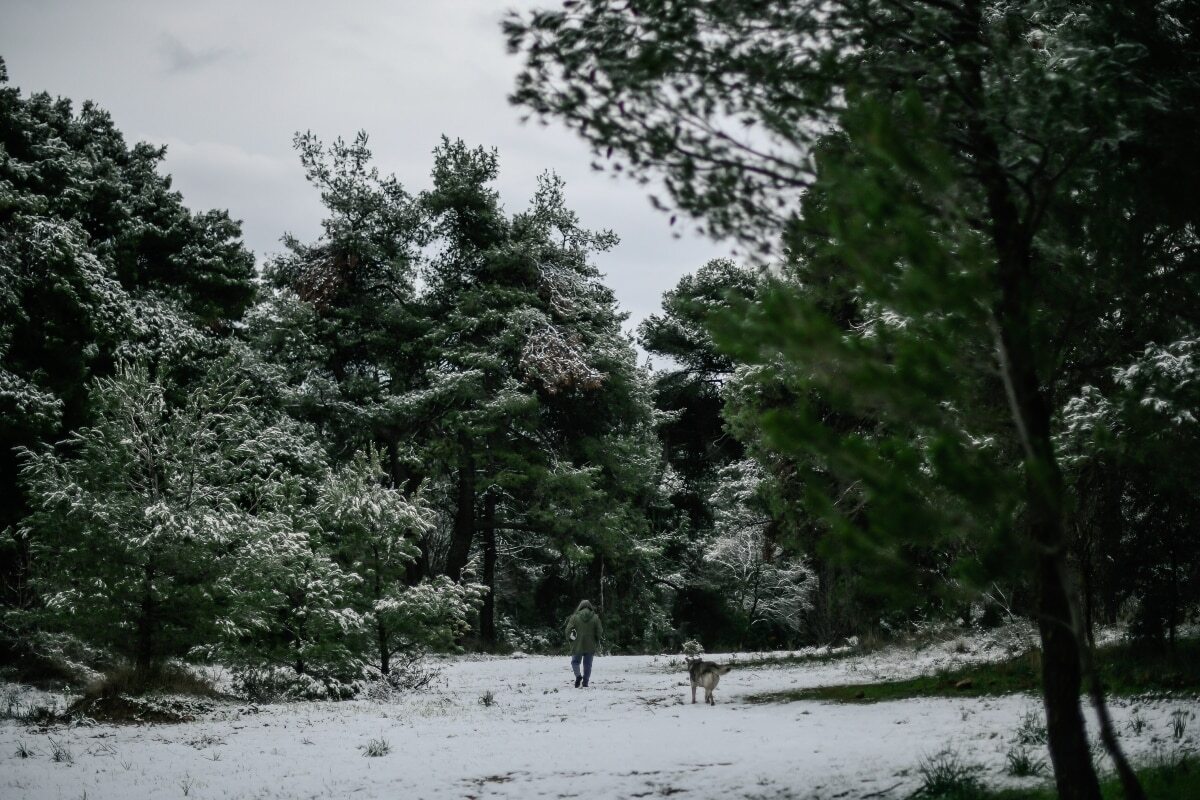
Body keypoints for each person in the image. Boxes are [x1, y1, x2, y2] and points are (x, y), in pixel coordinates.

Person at [564, 599, 602, 687]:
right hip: (590, 644)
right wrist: (596, 639)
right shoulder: (595, 617)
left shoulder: (574, 617)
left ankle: (578, 676)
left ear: (580, 606)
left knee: (575, 662)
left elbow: (568, 630)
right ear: (590, 607)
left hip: (577, 643)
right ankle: (585, 682)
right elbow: (599, 631)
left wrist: (570, 638)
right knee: (588, 664)